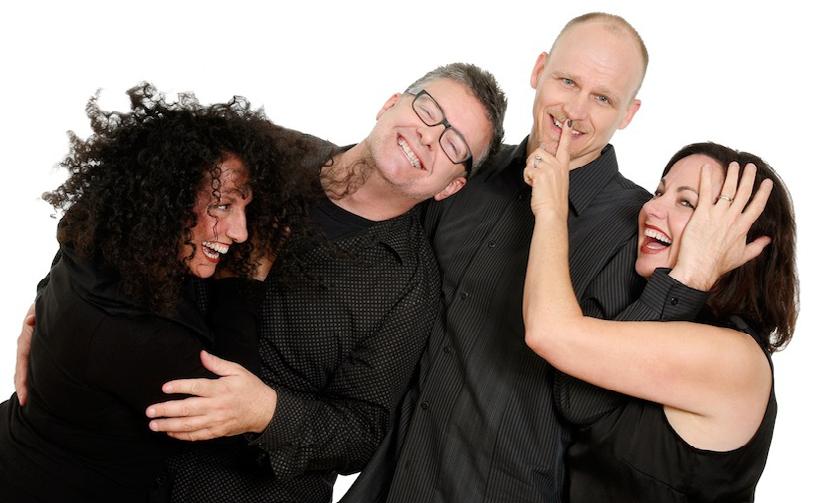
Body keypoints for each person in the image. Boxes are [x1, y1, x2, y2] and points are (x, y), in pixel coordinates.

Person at [341, 12, 707, 503]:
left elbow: (600, 404)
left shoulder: (640, 232)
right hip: (383, 485)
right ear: (538, 71)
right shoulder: (467, 170)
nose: (575, 110)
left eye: (602, 98)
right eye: (567, 81)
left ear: (629, 113)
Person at [98, 63, 505, 503]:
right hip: (112, 452)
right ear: (390, 104)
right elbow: (131, 200)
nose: (429, 136)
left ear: (450, 187)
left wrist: (267, 412)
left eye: (453, 144)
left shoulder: (411, 289)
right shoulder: (266, 152)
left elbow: (361, 430)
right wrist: (63, 299)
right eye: (428, 110)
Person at [0, 83, 316, 502]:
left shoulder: (92, 234)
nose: (241, 232)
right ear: (168, 196)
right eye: (222, 206)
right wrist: (242, 282)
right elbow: (240, 435)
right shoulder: (138, 339)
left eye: (245, 207)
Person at [522, 136, 797, 501]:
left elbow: (550, 332)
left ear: (738, 236)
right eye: (659, 192)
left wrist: (551, 210)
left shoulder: (735, 359)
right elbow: (577, 400)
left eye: (687, 202)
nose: (651, 208)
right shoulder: (665, 319)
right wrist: (687, 280)